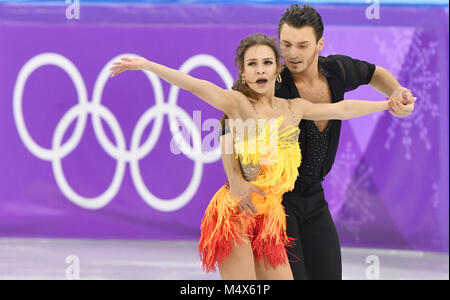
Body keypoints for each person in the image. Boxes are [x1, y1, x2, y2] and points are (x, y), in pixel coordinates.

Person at [109, 33, 408, 280]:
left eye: (266, 63)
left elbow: (342, 110)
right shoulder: (237, 104)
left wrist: (386, 105)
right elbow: (194, 84)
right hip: (237, 213)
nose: (260, 69)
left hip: (271, 217)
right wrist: (147, 65)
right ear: (243, 73)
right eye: (252, 64)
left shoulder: (294, 108)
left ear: (277, 71)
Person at [219, 4, 416, 280]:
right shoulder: (273, 83)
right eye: (286, 45)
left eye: (302, 45)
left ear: (319, 43)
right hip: (278, 202)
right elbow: (227, 129)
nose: (293, 54)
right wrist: (236, 179)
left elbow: (375, 74)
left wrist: (396, 92)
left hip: (314, 197)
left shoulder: (337, 69)